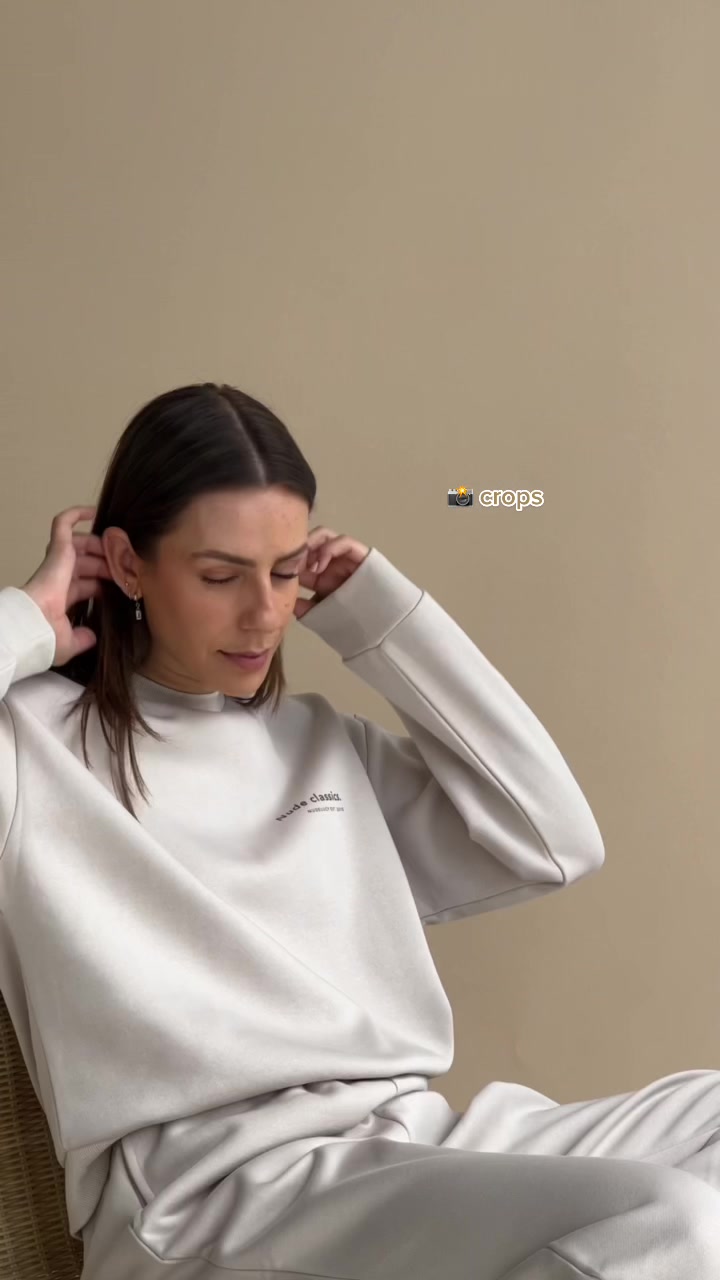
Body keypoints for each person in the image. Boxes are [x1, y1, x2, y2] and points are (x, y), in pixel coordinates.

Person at [1, 381, 718, 1280]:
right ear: (127, 564)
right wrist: (27, 619)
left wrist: (382, 617)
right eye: (221, 576)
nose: (265, 613)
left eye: (284, 571)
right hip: (225, 1196)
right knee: (669, 1223)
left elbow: (553, 841)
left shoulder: (318, 743)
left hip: (404, 1142)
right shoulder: (32, 748)